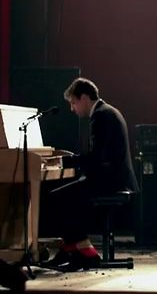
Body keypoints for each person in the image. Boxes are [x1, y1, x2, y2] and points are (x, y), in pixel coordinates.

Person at [45, 78, 139, 271]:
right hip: (115, 178)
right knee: (66, 196)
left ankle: (84, 253)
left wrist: (65, 161)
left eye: (73, 103)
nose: (72, 109)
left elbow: (97, 157)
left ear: (85, 98)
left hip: (112, 181)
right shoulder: (107, 111)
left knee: (57, 198)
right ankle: (70, 250)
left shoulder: (101, 116)